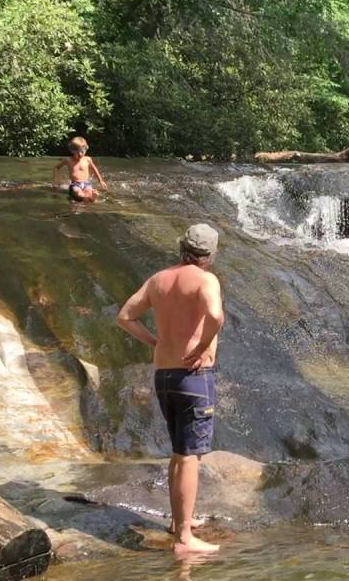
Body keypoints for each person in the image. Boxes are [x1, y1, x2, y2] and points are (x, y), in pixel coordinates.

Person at [116, 224, 225, 555]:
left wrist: (155, 342)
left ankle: (181, 522)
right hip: (194, 375)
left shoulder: (158, 280)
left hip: (164, 373)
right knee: (190, 457)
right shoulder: (206, 279)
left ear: (182, 248)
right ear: (210, 255)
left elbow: (125, 317)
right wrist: (202, 346)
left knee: (179, 453)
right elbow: (216, 317)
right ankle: (184, 541)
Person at [53, 136, 107, 202]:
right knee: (77, 192)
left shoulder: (87, 159)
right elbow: (56, 167)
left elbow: (94, 169)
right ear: (72, 151)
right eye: (77, 152)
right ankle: (85, 197)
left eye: (82, 151)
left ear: (86, 149)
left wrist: (100, 181)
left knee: (88, 191)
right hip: (75, 184)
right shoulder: (68, 160)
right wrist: (56, 180)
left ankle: (91, 196)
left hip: (86, 183)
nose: (80, 154)